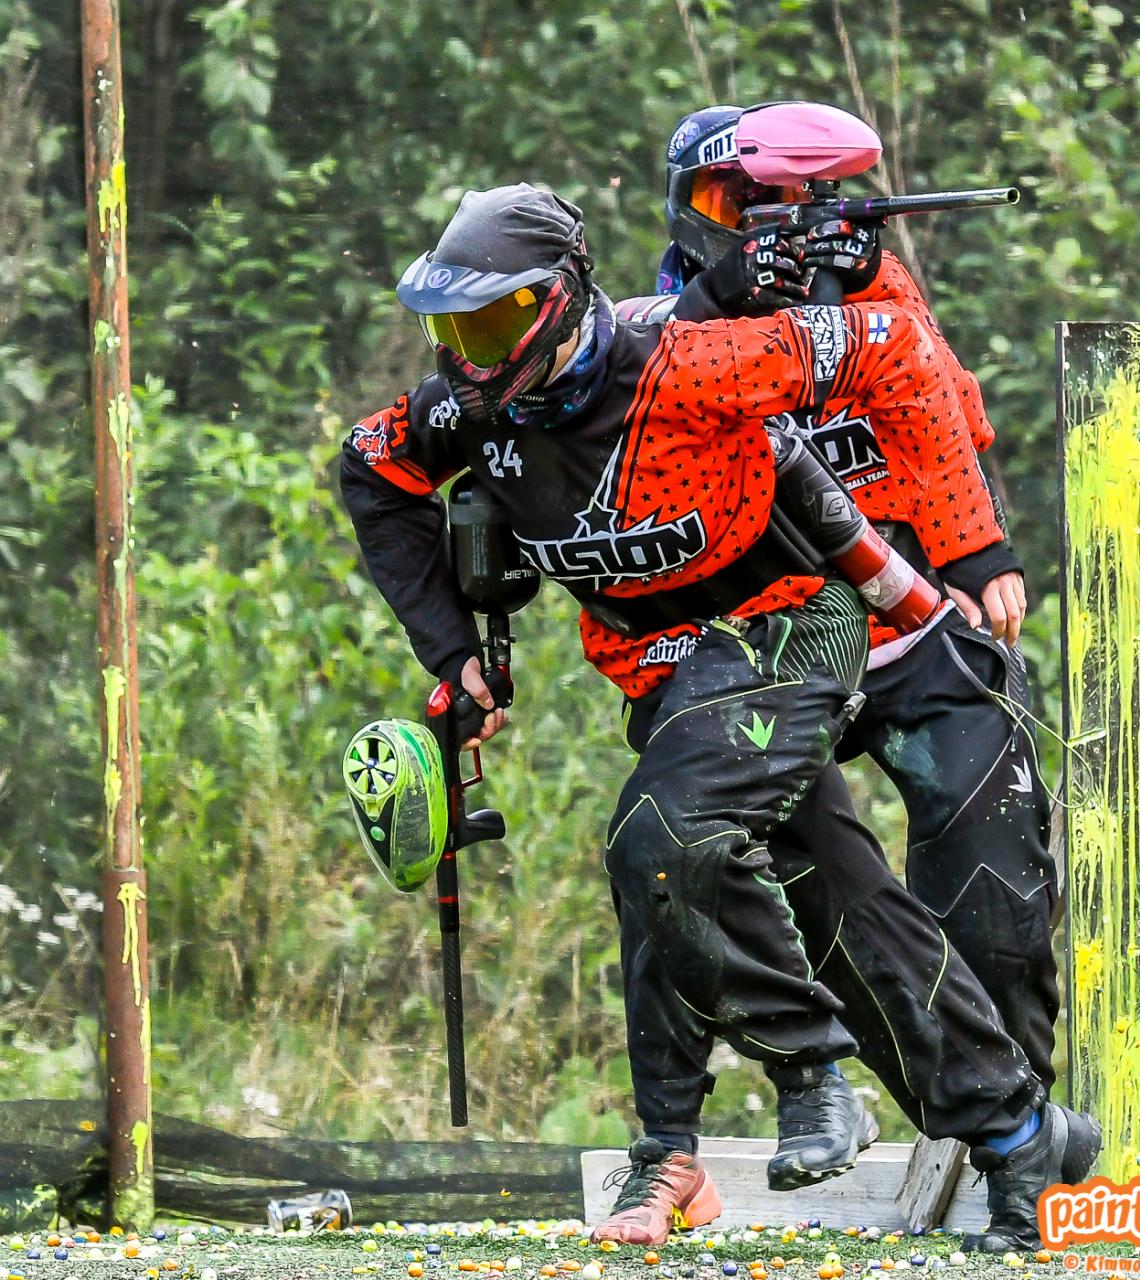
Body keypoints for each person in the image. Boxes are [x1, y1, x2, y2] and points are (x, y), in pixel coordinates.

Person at [339, 183, 1095, 1254]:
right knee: (831, 894)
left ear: (562, 299)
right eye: (452, 329)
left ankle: (805, 1076)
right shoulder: (467, 411)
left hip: (790, 621)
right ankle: (1015, 1129)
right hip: (671, 666)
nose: (471, 354)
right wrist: (454, 650)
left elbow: (897, 346)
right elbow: (371, 467)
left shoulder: (692, 361)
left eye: (495, 321)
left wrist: (971, 543)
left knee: (659, 832)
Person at [606, 104, 1070, 1249]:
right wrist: (726, 298)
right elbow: (623, 415)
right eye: (728, 203)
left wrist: (869, 283)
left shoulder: (866, 294)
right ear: (684, 208)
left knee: (993, 898)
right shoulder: (650, 323)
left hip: (910, 631)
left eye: (781, 205)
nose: (758, 224)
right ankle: (907, 1109)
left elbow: (948, 401)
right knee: (826, 902)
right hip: (764, 656)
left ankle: (1020, 1150)